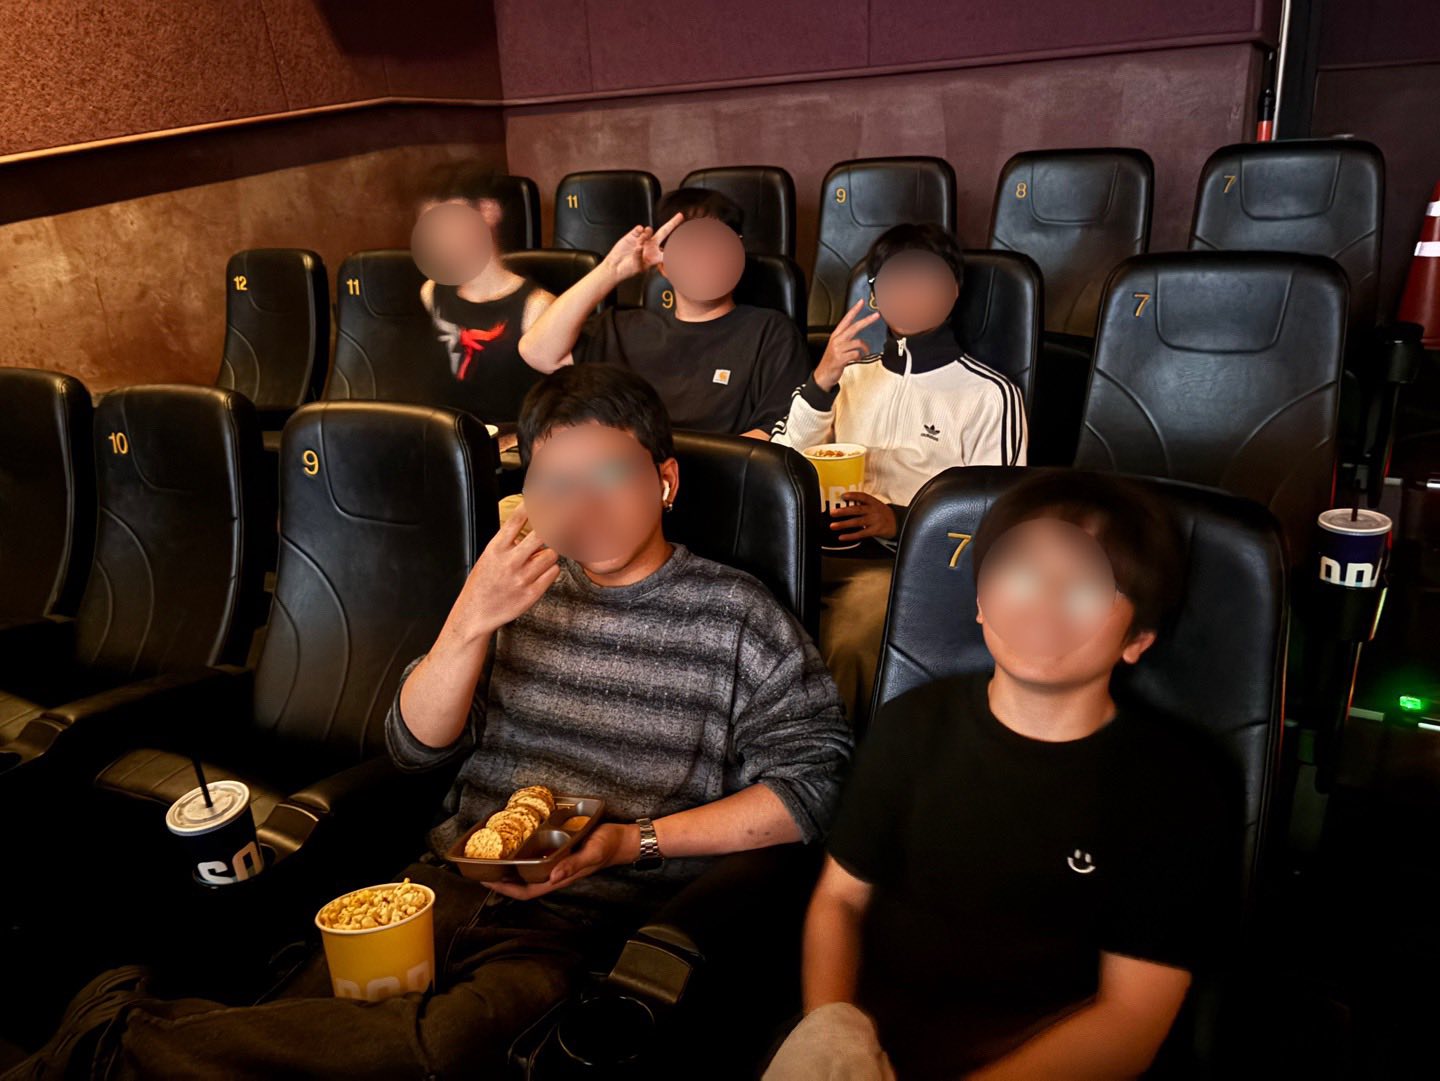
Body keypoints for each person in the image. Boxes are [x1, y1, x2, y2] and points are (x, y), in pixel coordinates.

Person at [15, 365, 851, 1080]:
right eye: (555, 483)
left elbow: (814, 785)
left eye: (608, 474)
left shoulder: (736, 615)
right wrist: (470, 618)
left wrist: (630, 843)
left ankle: (114, 1034)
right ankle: (117, 1041)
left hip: (579, 923)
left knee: (438, 1050)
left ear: (663, 480)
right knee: (296, 1016)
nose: (583, 505)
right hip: (444, 884)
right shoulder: (518, 585)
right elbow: (414, 744)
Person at [764, 471, 1238, 1081]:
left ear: (1137, 639)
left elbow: (1130, 1020)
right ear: (983, 601)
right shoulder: (911, 725)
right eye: (1021, 573)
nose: (1043, 603)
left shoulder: (1173, 789)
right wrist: (831, 1037)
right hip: (869, 1048)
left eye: (1087, 586)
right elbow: (840, 901)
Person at [773, 223, 1028, 729]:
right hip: (816, 547)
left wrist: (897, 521)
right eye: (895, 279)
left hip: (907, 563)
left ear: (953, 291)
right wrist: (821, 382)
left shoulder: (990, 393)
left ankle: (827, 762)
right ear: (875, 294)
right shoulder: (849, 375)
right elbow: (779, 467)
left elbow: (996, 517)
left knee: (853, 632)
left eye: (925, 278)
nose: (909, 291)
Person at [518, 188, 810, 439]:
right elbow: (538, 352)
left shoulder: (770, 332)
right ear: (664, 264)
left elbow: (777, 433)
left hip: (727, 481)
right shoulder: (624, 328)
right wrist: (613, 270)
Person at [412, 161, 555, 430]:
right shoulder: (431, 292)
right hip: (446, 440)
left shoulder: (537, 306)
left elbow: (557, 409)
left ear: (488, 211)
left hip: (512, 444)